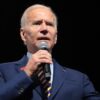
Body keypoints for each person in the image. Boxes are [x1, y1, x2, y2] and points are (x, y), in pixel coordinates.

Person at [0, 4, 100, 100]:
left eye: (49, 24)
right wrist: (27, 72)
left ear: (55, 37)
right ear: (23, 34)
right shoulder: (3, 71)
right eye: (37, 23)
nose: (44, 29)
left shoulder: (79, 79)